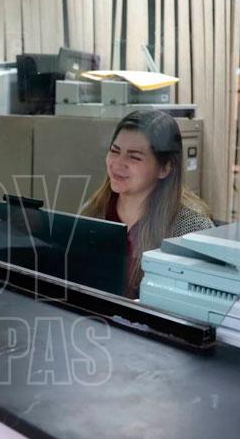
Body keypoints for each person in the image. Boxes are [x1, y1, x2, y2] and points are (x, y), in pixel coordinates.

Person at [81, 110, 213, 298]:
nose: (117, 164)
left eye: (134, 157)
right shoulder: (92, 212)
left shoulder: (191, 230)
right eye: (114, 151)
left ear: (165, 168)